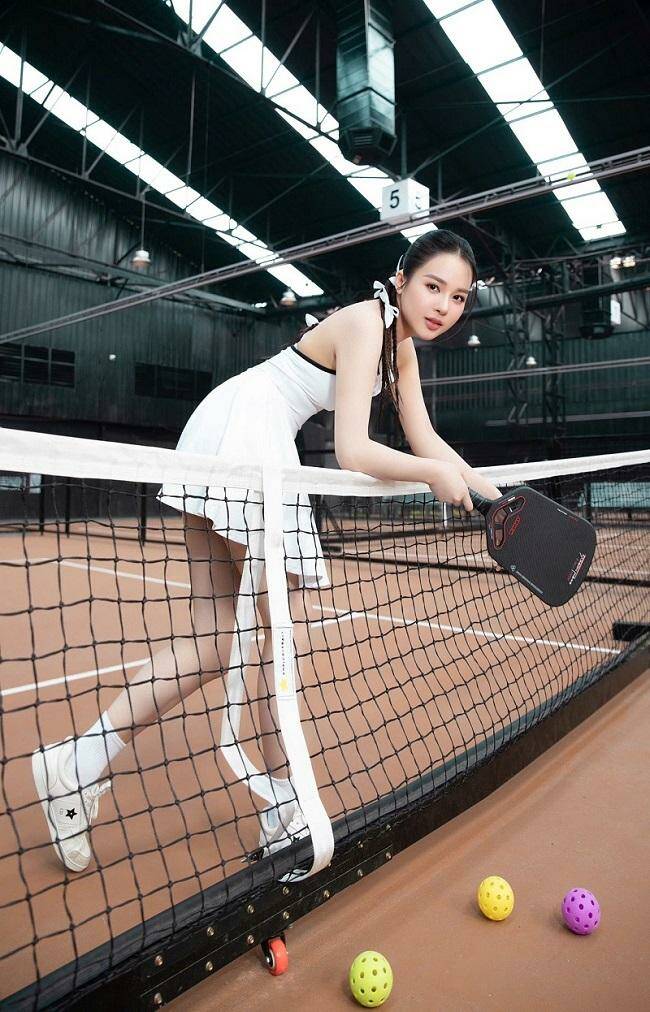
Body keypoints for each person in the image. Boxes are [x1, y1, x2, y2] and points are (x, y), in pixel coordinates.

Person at [32, 228, 502, 873]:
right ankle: (283, 808)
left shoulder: (401, 353)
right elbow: (354, 450)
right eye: (433, 286)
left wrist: (498, 494)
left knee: (213, 646)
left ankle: (75, 764)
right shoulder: (366, 323)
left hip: (227, 427)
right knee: (275, 640)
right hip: (248, 433)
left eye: (458, 297)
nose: (444, 306)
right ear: (401, 280)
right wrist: (432, 477)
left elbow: (430, 442)